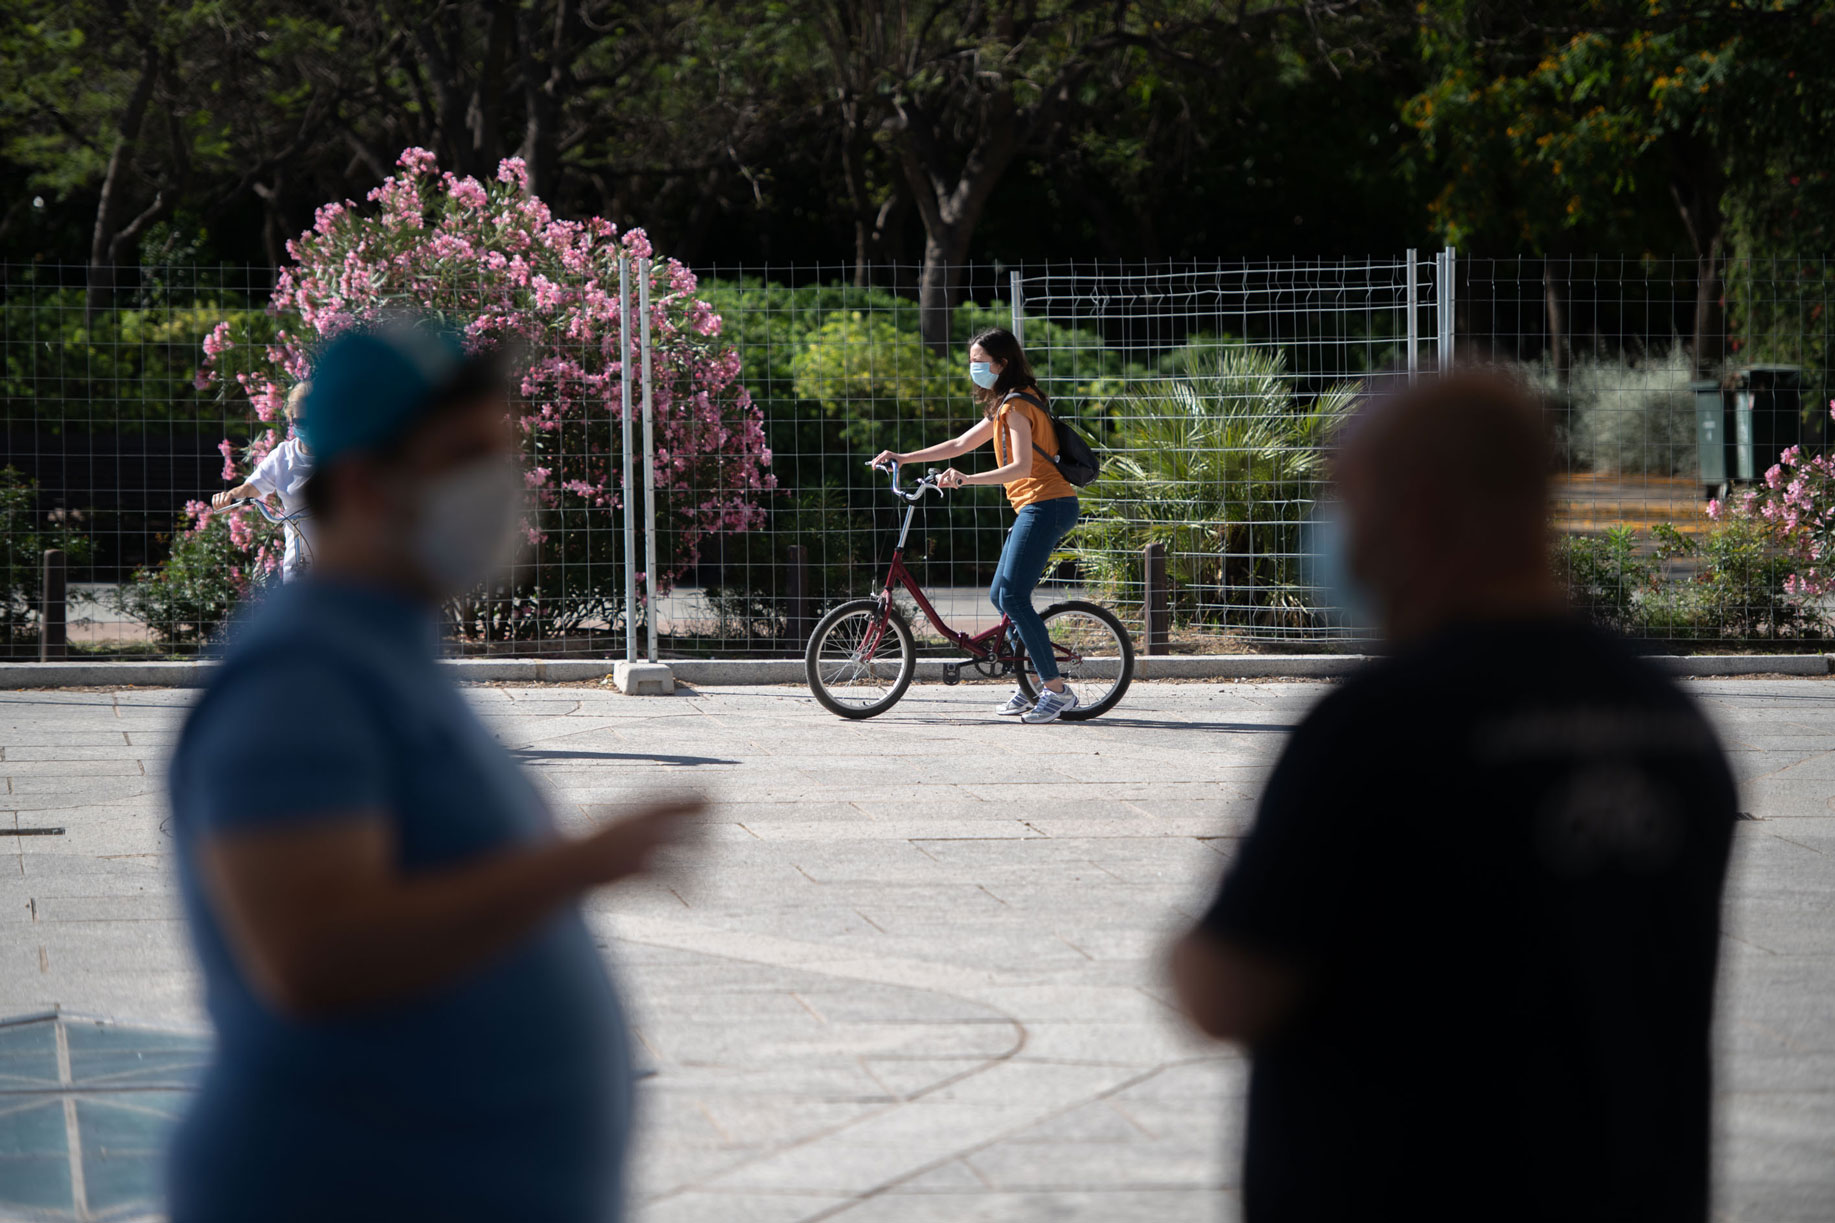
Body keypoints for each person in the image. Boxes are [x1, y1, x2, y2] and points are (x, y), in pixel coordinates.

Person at [165, 322, 703, 1223]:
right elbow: (312, 951)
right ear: (369, 483)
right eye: (468, 456)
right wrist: (581, 865)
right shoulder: (297, 677)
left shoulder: (377, 646)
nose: (502, 484)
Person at [1170, 372, 1737, 1223]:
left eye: (1343, 497)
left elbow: (1220, 989)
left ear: (1417, 509)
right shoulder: (1668, 719)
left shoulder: (1379, 726)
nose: (1331, 531)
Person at [871, 327, 1081, 723]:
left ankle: (1055, 691)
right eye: (971, 362)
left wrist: (966, 479)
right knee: (1003, 598)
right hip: (1037, 505)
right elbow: (958, 446)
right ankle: (1028, 685)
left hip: (1047, 504)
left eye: (980, 363)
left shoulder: (1018, 407)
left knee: (1014, 598)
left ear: (1002, 364)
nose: (974, 369)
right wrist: (902, 457)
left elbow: (1018, 467)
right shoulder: (1006, 404)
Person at [212, 381, 317, 581]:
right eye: (300, 422)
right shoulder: (283, 456)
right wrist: (230, 498)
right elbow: (251, 487)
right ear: (290, 419)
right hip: (299, 562)